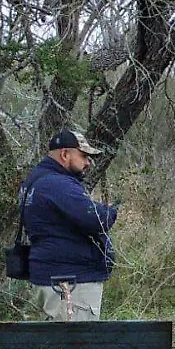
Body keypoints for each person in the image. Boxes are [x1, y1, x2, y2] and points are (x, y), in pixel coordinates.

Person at [22, 128, 117, 321]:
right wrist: (111, 210)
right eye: (83, 156)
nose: (88, 163)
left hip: (50, 278)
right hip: (69, 284)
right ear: (65, 154)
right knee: (74, 348)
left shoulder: (35, 181)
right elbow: (97, 219)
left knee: (50, 347)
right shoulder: (58, 185)